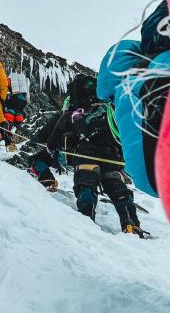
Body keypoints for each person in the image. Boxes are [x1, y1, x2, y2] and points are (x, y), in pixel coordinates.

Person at [28, 74, 147, 237]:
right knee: (117, 187)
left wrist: (42, 144)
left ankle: (85, 221)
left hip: (85, 150)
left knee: (86, 184)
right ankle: (131, 224)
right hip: (111, 152)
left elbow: (53, 130)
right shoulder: (105, 109)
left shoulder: (72, 110)